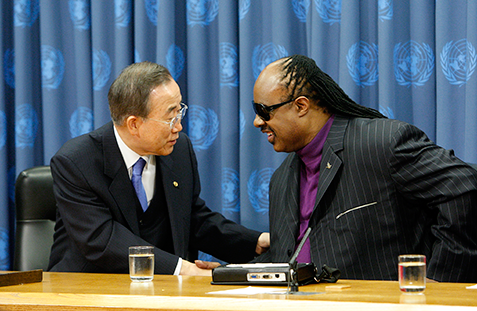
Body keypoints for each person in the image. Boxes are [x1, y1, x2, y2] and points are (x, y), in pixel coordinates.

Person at [251, 54, 477, 282]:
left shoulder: (382, 143)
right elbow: (290, 257)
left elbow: (463, 187)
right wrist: (224, 272)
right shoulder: (280, 180)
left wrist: (440, 282)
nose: (257, 122)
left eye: (263, 111)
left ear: (301, 106)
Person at [48, 61, 269, 276]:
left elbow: (192, 219)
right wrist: (182, 269)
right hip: (87, 290)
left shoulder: (179, 149)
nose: (179, 127)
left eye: (179, 112)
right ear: (134, 124)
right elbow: (102, 240)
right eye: (170, 118)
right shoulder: (76, 162)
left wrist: (255, 242)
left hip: (161, 291)